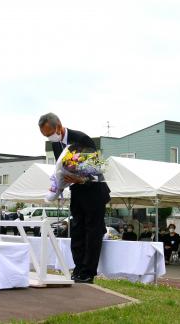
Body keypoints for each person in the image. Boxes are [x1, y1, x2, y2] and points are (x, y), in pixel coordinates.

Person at [39, 113, 110, 284]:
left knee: (92, 231)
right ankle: (78, 269)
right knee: (77, 230)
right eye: (45, 136)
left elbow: (98, 168)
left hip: (94, 190)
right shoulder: (56, 145)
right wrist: (57, 185)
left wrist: (82, 179)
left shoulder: (81, 138)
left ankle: (88, 272)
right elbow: (61, 169)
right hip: (77, 192)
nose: (49, 138)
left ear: (59, 126)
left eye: (50, 133)